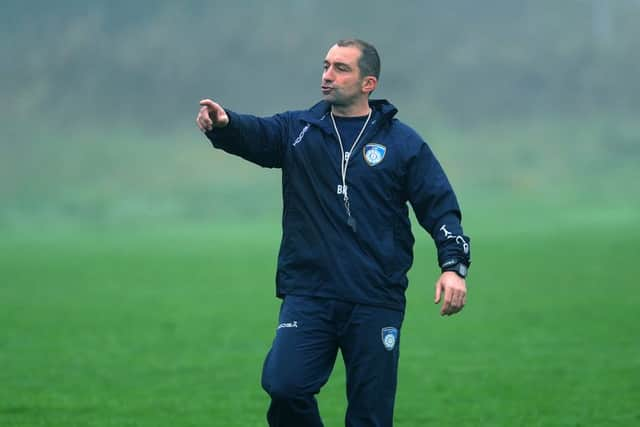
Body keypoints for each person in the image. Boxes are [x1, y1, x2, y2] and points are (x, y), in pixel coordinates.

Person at [196, 38, 471, 427]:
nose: (328, 75)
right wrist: (225, 125)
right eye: (326, 65)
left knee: (370, 416)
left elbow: (439, 206)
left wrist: (453, 266)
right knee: (284, 386)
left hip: (375, 297)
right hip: (310, 294)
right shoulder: (298, 130)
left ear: (368, 83)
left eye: (341, 68)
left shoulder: (402, 143)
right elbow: (255, 134)